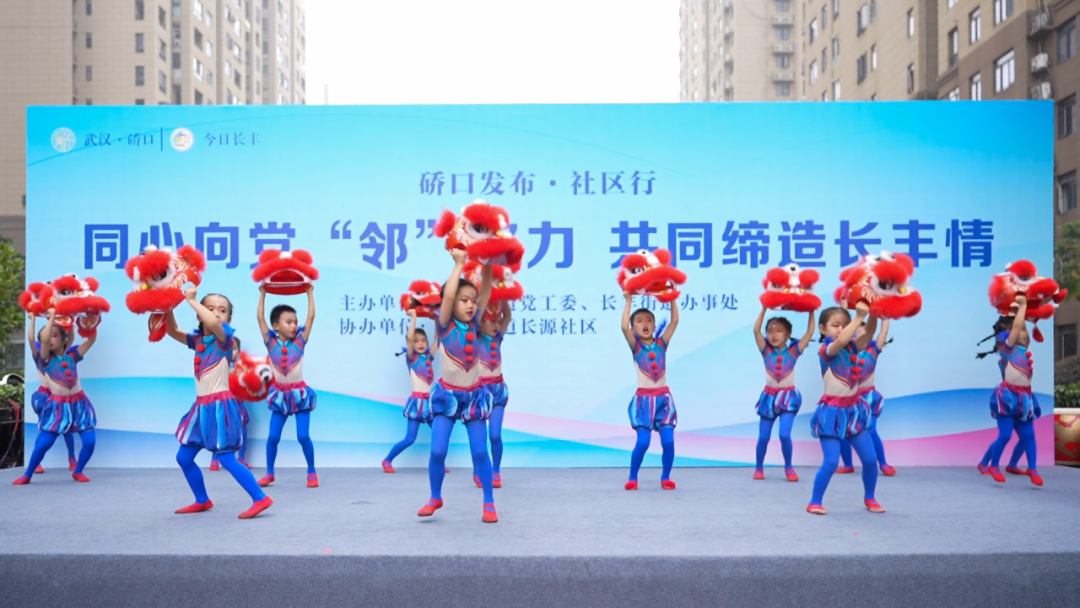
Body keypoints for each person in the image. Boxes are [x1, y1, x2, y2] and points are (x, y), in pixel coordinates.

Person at [167, 288, 273, 518]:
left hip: (220, 406)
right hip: (201, 408)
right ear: (199, 315)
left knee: (225, 457)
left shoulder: (224, 340)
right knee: (183, 458)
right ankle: (202, 500)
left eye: (222, 310)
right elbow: (172, 330)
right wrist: (167, 307)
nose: (216, 313)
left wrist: (192, 300)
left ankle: (260, 498)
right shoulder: (198, 341)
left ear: (229, 319)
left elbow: (214, 324)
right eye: (211, 308)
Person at [416, 249, 498, 523]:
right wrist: (459, 264)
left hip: (474, 397)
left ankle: (489, 502)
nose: (471, 305)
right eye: (464, 300)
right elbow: (448, 297)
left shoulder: (475, 323)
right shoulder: (444, 325)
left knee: (480, 452)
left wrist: (488, 265)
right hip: (448, 397)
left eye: (472, 301)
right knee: (438, 451)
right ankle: (435, 497)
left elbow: (485, 293)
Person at [806, 304, 885, 515]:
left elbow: (869, 332)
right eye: (835, 325)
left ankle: (870, 497)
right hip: (831, 413)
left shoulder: (853, 348)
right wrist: (859, 316)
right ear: (822, 329)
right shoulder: (826, 351)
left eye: (845, 324)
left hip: (854, 412)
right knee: (831, 461)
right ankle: (815, 501)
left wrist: (873, 312)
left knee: (870, 460)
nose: (841, 329)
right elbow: (840, 341)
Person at [13, 310, 97, 485]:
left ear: (64, 339)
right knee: (44, 443)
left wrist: (91, 322)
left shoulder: (72, 355)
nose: (49, 339)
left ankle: (78, 470)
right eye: (47, 336)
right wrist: (46, 318)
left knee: (90, 441)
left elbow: (91, 340)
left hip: (80, 405)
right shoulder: (44, 359)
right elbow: (39, 340)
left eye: (54, 335)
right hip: (58, 407)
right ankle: (27, 474)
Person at [256, 285, 318, 488]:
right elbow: (260, 318)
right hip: (280, 396)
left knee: (303, 436)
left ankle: (311, 471)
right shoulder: (270, 342)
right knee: (273, 437)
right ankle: (269, 473)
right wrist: (263, 294)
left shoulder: (300, 341)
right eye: (288, 322)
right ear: (276, 325)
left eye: (295, 322)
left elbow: (311, 317)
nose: (294, 325)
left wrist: (309, 294)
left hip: (300, 395)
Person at [977, 296, 1042, 486]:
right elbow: (1016, 327)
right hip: (1007, 398)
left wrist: (1018, 312)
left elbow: (1019, 326)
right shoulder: (1007, 350)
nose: (1024, 333)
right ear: (1009, 335)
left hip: (1025, 398)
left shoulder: (1022, 350)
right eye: (1021, 330)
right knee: (1005, 436)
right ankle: (993, 466)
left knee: (1028, 436)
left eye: (1025, 330)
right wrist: (1023, 306)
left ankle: (1033, 469)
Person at [620, 294, 679, 491]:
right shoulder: (636, 347)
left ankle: (666, 477)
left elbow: (674, 321)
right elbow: (623, 327)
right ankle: (632, 477)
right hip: (644, 402)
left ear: (654, 326)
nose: (644, 323)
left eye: (648, 320)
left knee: (668, 442)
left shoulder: (662, 344)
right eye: (639, 321)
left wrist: (672, 298)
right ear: (634, 328)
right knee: (643, 443)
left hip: (664, 400)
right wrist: (628, 300)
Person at [751, 307, 816, 481]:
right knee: (763, 437)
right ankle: (759, 468)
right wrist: (764, 308)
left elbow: (810, 332)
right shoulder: (765, 350)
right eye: (770, 331)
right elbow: (756, 330)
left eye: (779, 330)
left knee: (784, 434)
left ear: (787, 335)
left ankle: (788, 467)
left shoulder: (794, 351)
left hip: (787, 399)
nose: (774, 334)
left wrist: (811, 310)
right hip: (769, 399)